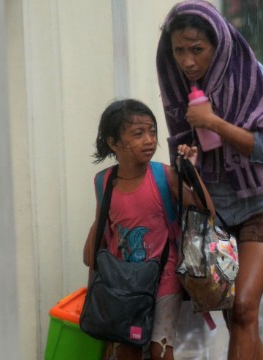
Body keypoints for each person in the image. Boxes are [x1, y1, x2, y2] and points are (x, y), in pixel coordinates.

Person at [155, 1, 263, 359]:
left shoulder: (249, 75)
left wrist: (214, 123)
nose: (187, 61)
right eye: (179, 50)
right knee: (238, 318)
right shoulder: (176, 88)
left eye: (197, 49)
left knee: (244, 305)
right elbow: (185, 188)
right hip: (215, 215)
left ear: (219, 45)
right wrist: (188, 168)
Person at [82, 99, 203, 360]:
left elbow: (207, 214)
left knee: (161, 350)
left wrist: (191, 172)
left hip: (164, 277)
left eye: (152, 131)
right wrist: (94, 290)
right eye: (138, 134)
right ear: (113, 143)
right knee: (128, 348)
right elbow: (93, 250)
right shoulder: (104, 182)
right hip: (124, 284)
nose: (149, 140)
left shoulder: (166, 176)